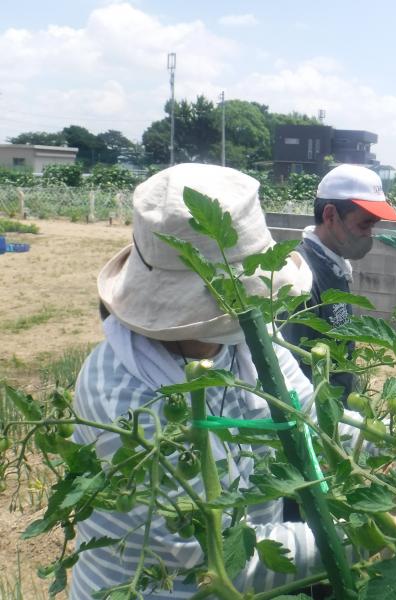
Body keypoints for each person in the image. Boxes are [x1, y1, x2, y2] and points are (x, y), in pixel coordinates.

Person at [69, 163, 344, 599]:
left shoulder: (244, 339)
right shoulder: (131, 404)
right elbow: (217, 565)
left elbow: (310, 414)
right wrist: (365, 533)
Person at [282, 164, 396, 398]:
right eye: (364, 224)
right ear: (330, 215)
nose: (369, 235)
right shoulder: (301, 278)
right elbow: (291, 374)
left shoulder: (335, 267)